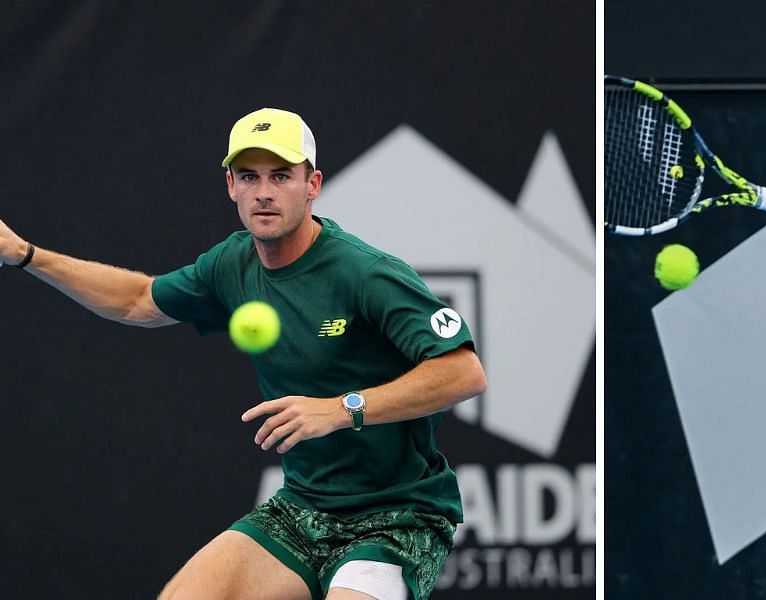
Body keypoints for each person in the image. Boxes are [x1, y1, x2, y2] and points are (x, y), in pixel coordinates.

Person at [0, 107, 487, 600]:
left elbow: (464, 373)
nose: (265, 191)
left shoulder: (366, 273)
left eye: (281, 176)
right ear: (231, 185)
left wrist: (343, 409)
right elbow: (137, 300)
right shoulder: (230, 264)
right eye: (249, 176)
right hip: (301, 509)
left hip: (398, 515)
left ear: (313, 184)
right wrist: (25, 254)